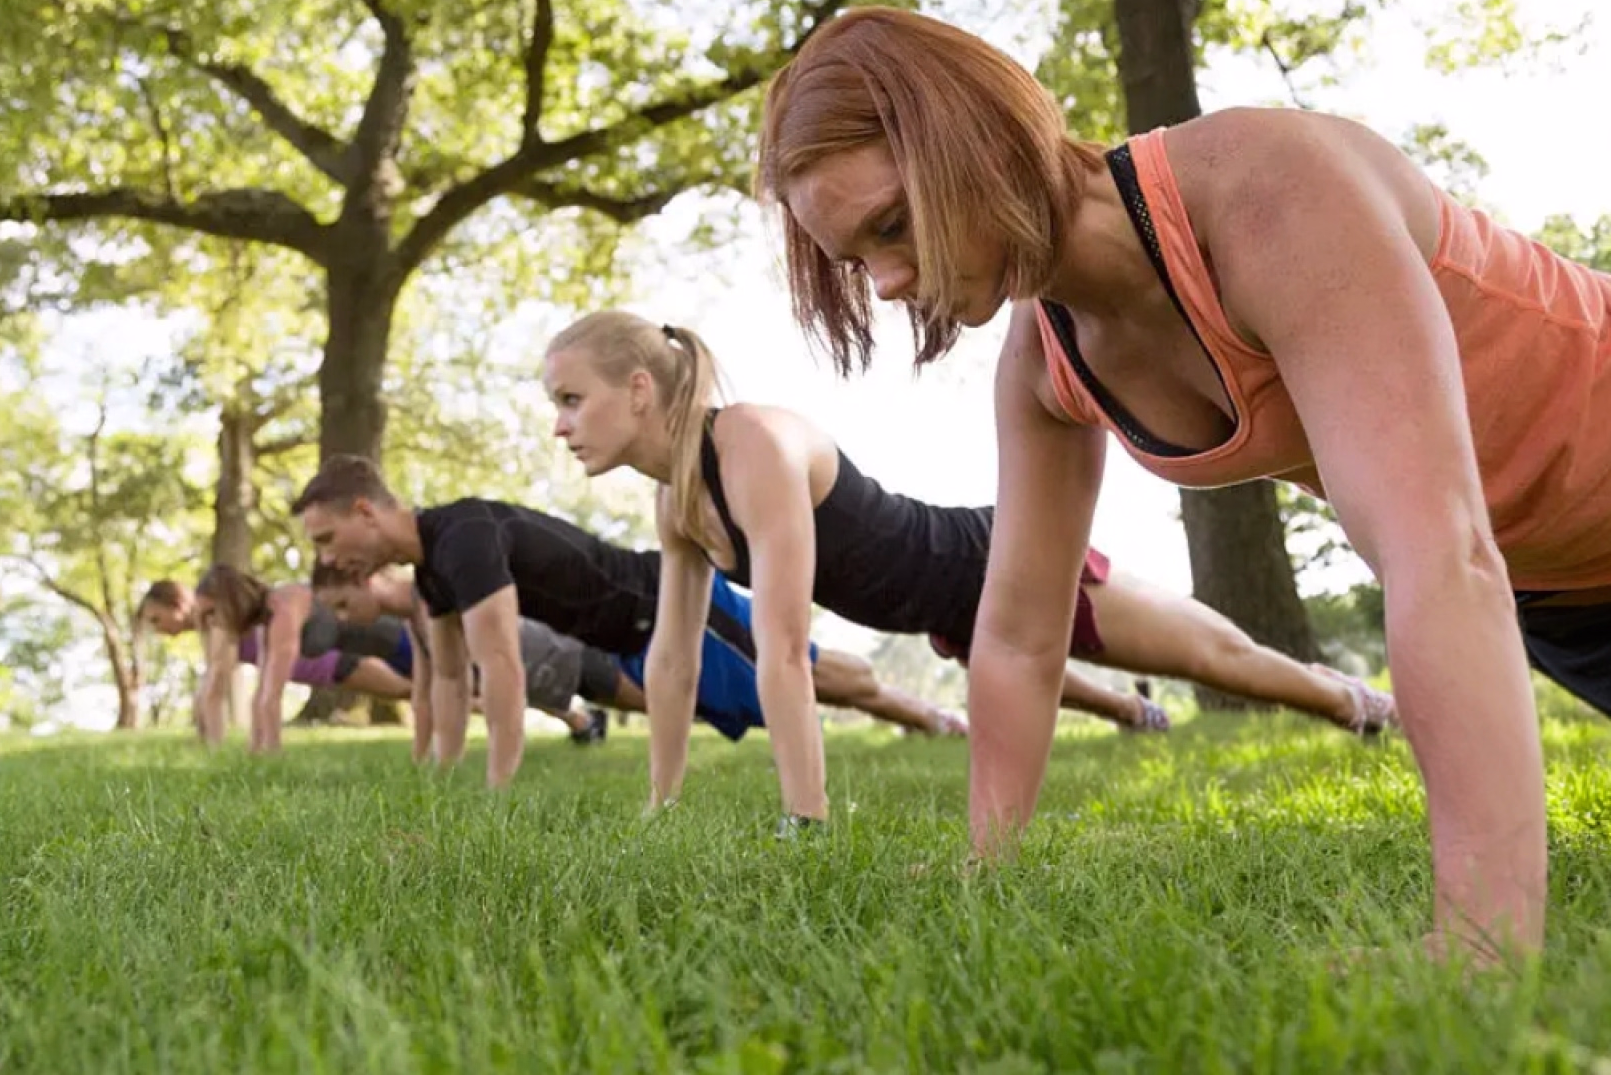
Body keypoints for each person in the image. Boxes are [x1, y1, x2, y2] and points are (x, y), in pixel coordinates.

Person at [752, 5, 1611, 958]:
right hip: (1565, 594)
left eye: (892, 224)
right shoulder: (1045, 365)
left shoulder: (1265, 190)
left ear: (973, 134)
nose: (883, 283)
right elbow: (1020, 633)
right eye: (854, 259)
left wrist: (1484, 938)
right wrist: (985, 863)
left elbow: (1439, 552)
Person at [541, 311, 1394, 830]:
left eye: (571, 400)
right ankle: (1138, 713)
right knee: (1033, 669)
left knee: (1220, 663)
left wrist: (806, 821)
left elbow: (785, 648)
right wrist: (663, 805)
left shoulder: (751, 444)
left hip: (992, 559)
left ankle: (1354, 700)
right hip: (945, 613)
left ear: (642, 390)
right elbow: (674, 660)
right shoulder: (679, 502)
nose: (560, 426)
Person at [291, 465, 969, 790]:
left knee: (821, 678)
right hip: (634, 644)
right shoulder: (431, 573)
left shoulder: (462, 535)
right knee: (767, 703)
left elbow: (500, 665)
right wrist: (436, 770)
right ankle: (924, 714)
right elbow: (442, 676)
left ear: (365, 511)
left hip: (665, 602)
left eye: (327, 539)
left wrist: (496, 784)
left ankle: (930, 711)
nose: (329, 560)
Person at [139, 568, 608, 755]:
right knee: (464, 691)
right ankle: (577, 717)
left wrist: (265, 754)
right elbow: (218, 685)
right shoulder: (230, 627)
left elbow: (271, 691)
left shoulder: (284, 607)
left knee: (471, 682)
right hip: (375, 651)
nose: (204, 623)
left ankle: (576, 714)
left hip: (394, 640)